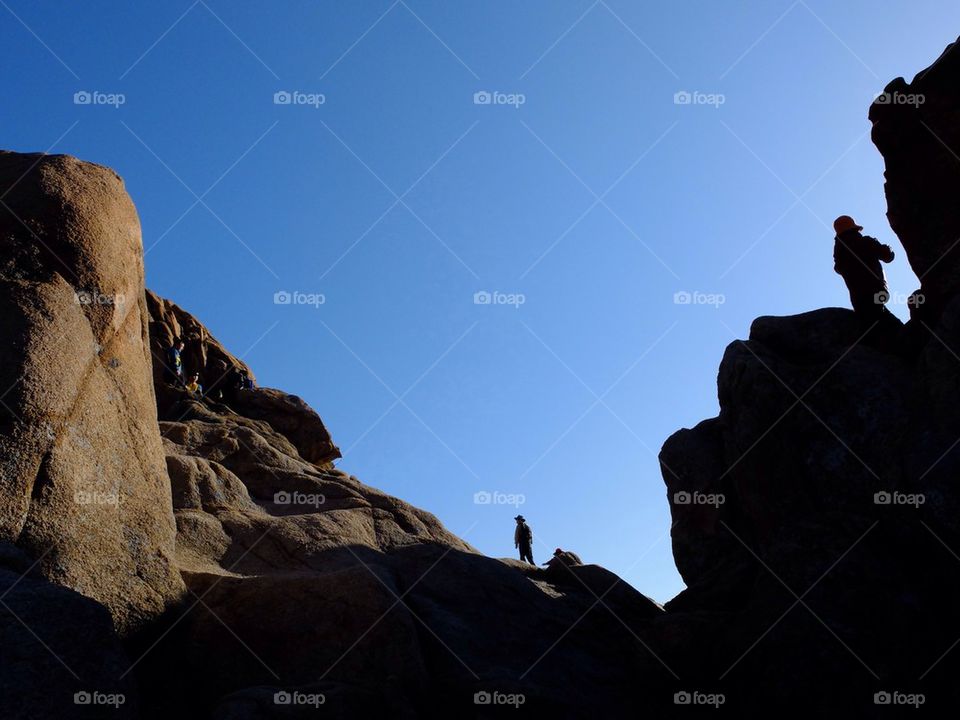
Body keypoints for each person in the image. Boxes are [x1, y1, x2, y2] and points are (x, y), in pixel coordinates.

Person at [833, 215, 895, 319]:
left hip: (858, 301)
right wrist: (888, 248)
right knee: (889, 326)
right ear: (854, 230)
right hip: (877, 293)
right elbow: (888, 257)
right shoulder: (865, 242)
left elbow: (837, 268)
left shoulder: (839, 255)